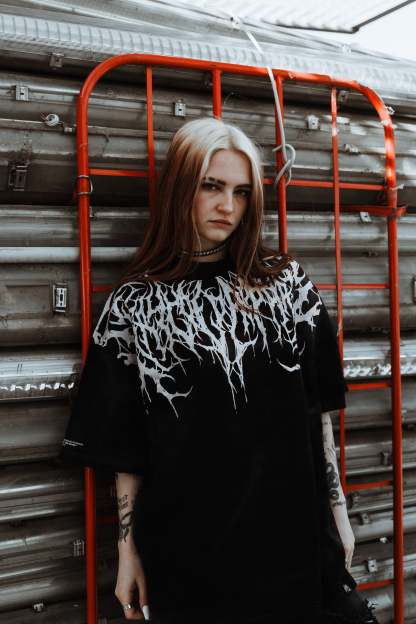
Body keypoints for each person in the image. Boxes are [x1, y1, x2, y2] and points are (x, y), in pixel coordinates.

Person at [60, 117, 379, 624]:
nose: (228, 206)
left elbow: (317, 412)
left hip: (294, 537)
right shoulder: (136, 305)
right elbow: (127, 450)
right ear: (181, 187)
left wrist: (337, 513)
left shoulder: (288, 286)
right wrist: (128, 552)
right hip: (190, 553)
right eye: (211, 186)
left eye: (241, 192)